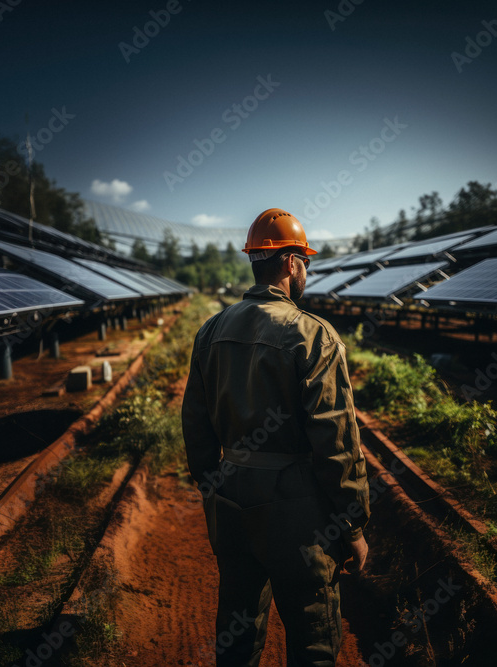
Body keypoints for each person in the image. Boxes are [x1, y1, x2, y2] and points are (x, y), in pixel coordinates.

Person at [181, 207, 370, 666]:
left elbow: (196, 424)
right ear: (290, 263)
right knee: (314, 638)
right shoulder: (312, 336)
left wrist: (215, 488)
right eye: (305, 261)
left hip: (230, 503)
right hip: (295, 513)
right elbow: (336, 442)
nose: (306, 270)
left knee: (237, 633)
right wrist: (353, 524)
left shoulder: (211, 331)